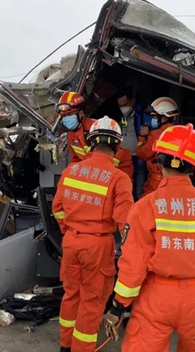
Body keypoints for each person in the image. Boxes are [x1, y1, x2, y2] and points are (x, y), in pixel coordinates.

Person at [103, 124, 195, 352]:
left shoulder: (146, 206)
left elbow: (134, 265)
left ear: (158, 161)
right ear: (194, 166)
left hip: (157, 295)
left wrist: (118, 307)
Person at [52, 116, 134, 352]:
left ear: (90, 142)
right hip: (97, 246)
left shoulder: (71, 170)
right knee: (92, 301)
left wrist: (69, 230)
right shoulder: (119, 178)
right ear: (117, 146)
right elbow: (125, 222)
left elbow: (57, 209)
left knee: (71, 295)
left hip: (71, 242)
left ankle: (65, 346)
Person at [57, 91, 133, 179]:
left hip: (114, 172)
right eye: (64, 116)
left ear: (81, 113)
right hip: (92, 173)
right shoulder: (71, 135)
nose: (66, 119)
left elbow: (118, 156)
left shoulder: (97, 128)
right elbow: (76, 160)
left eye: (69, 114)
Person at [115, 90, 155, 200]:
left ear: (132, 101)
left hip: (139, 157)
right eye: (120, 106)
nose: (123, 108)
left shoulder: (143, 114)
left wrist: (149, 129)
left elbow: (155, 125)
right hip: (122, 157)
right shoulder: (117, 114)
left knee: (139, 189)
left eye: (125, 105)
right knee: (123, 188)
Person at [135, 97, 178, 197]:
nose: (153, 120)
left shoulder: (155, 134)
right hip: (172, 179)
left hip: (156, 181)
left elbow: (142, 154)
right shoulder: (177, 131)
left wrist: (142, 138)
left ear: (164, 118)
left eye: (154, 117)